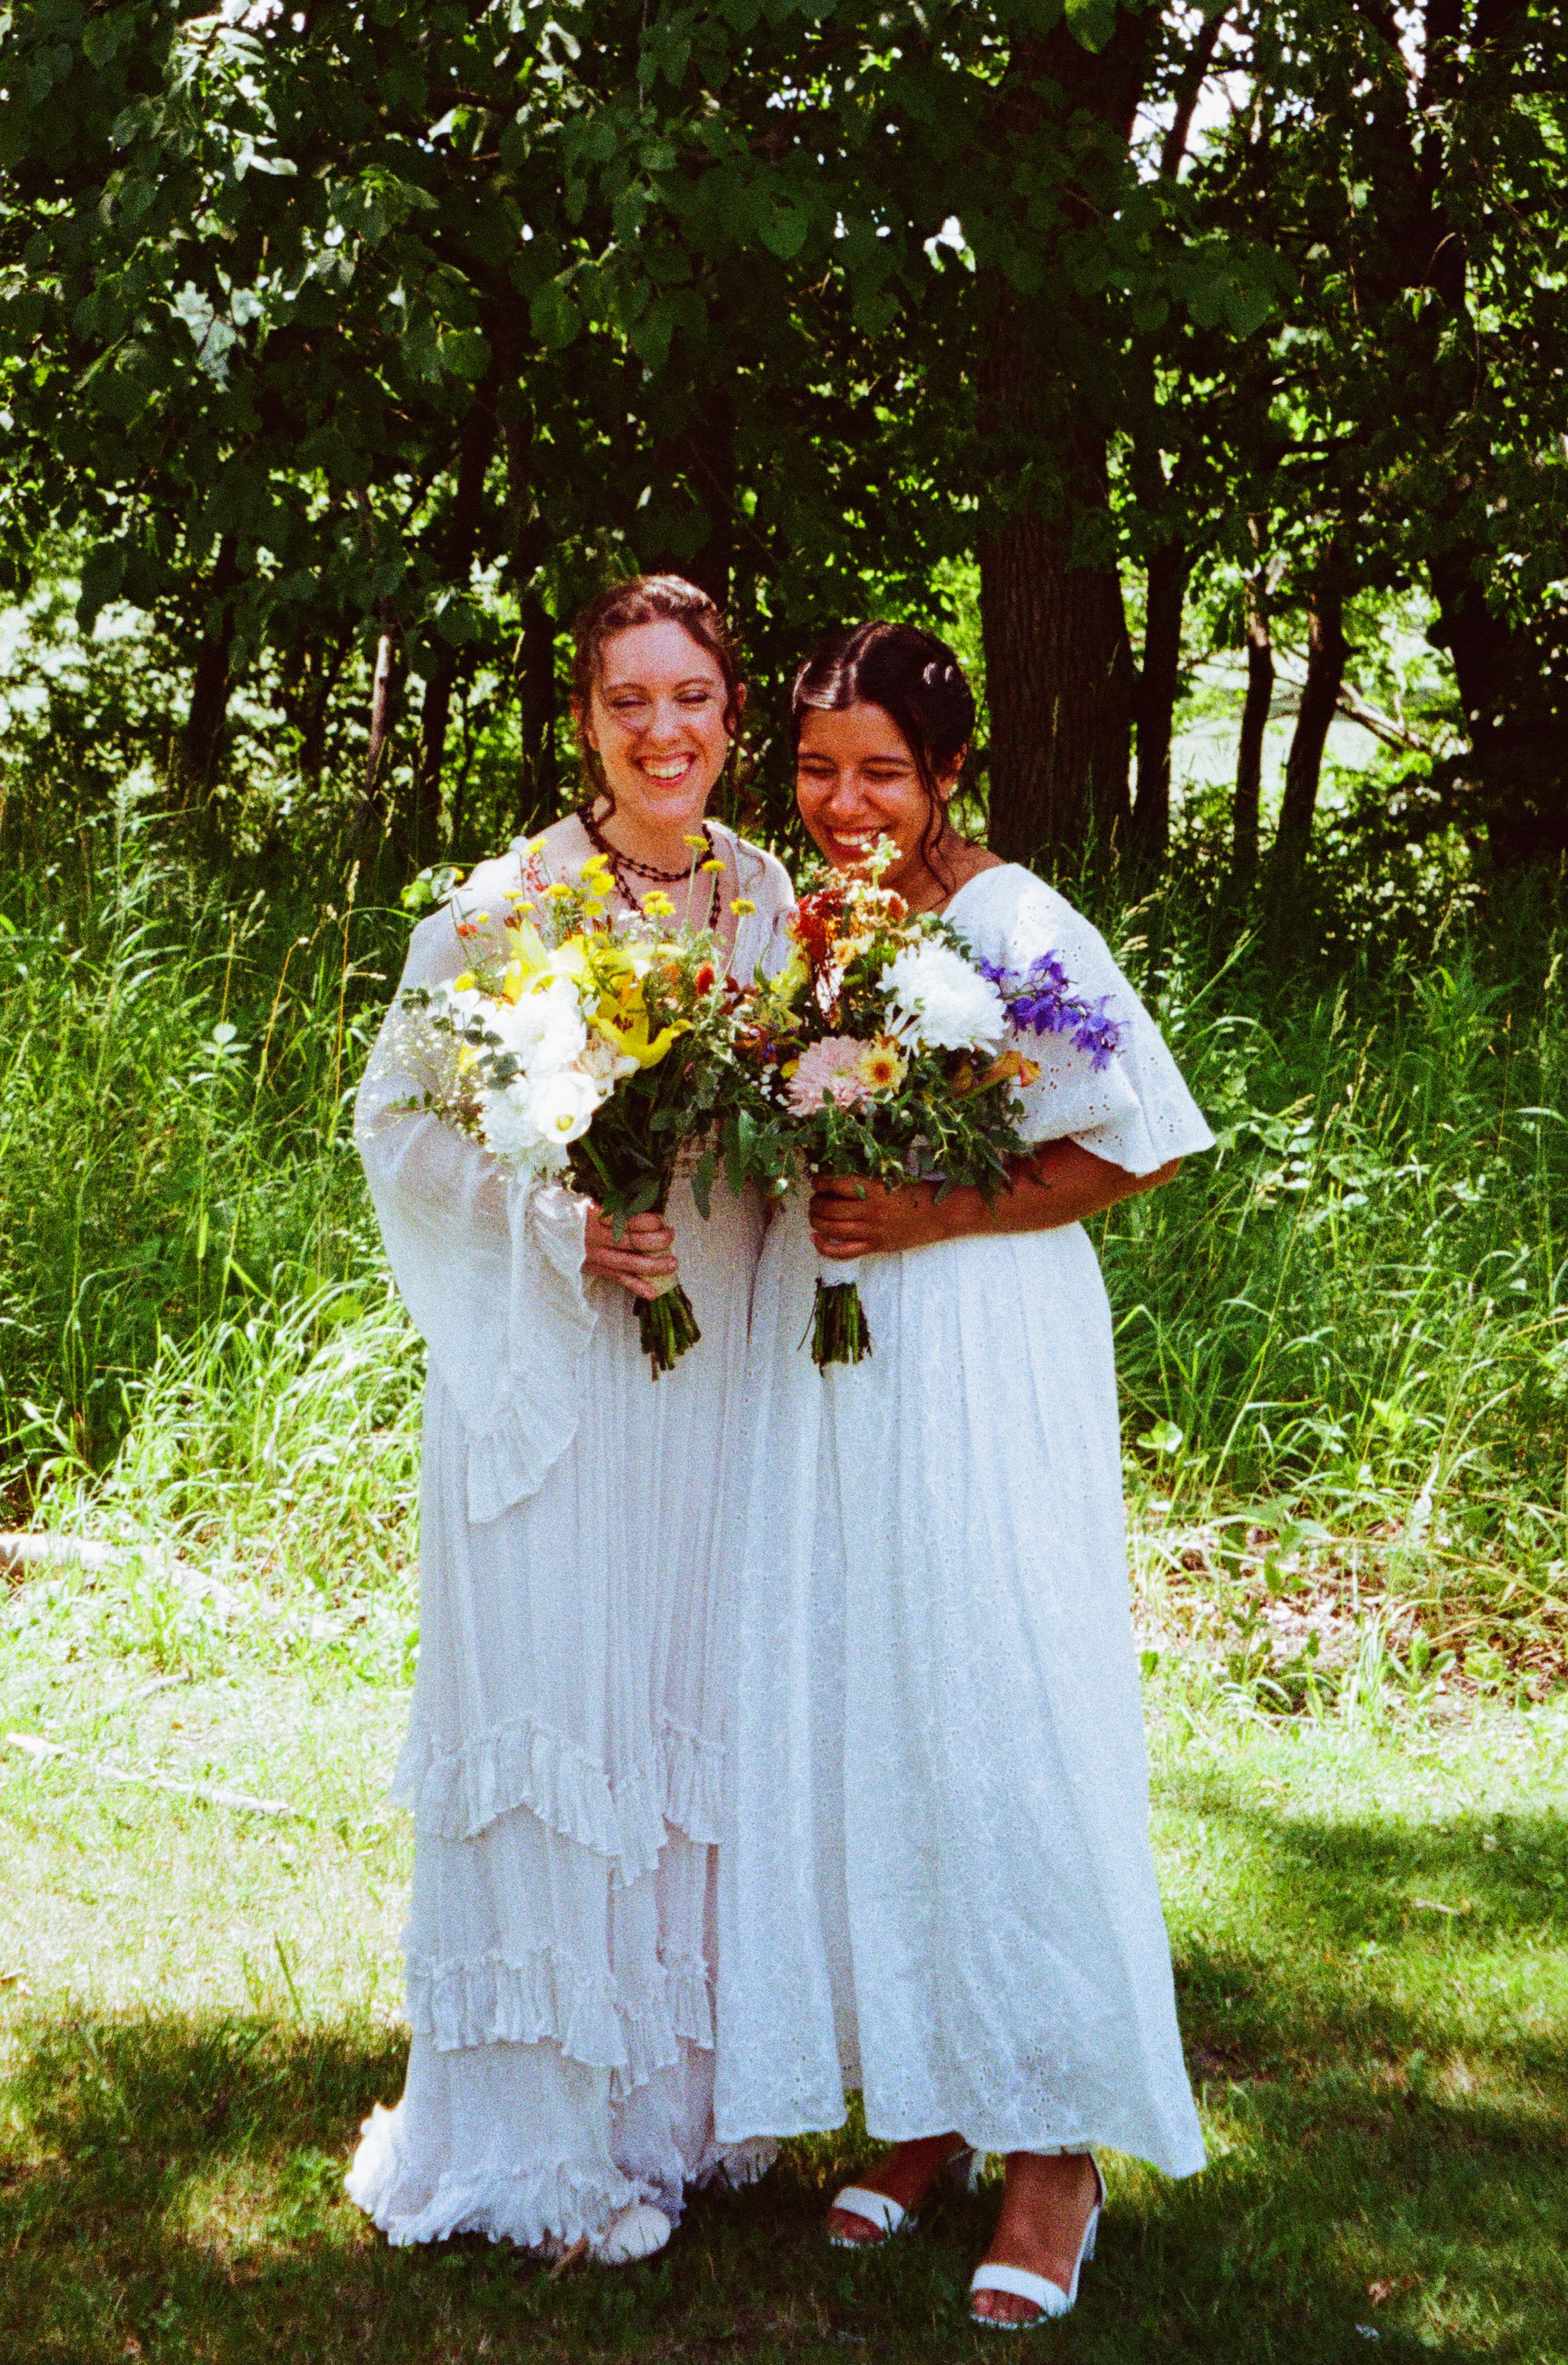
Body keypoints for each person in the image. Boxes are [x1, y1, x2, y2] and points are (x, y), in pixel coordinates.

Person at [715, 622, 1212, 2327]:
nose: (843, 801)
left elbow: (1129, 1135)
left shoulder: (1011, 925)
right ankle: (925, 2091)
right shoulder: (790, 927)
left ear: (945, 774)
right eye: (814, 766)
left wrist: (931, 1209)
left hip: (981, 1346)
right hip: (839, 1362)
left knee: (999, 1700)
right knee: (871, 1701)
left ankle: (1056, 2143)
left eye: (879, 770)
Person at [347, 575, 792, 2265]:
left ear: (730, 716)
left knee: (678, 1702)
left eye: (691, 698)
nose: (662, 730)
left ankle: (670, 2117)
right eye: (629, 701)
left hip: (704, 1383)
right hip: (546, 1373)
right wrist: (562, 1221)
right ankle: (533, 2143)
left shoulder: (771, 905)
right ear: (587, 720)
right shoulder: (513, 902)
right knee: (553, 1701)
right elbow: (399, 1121)